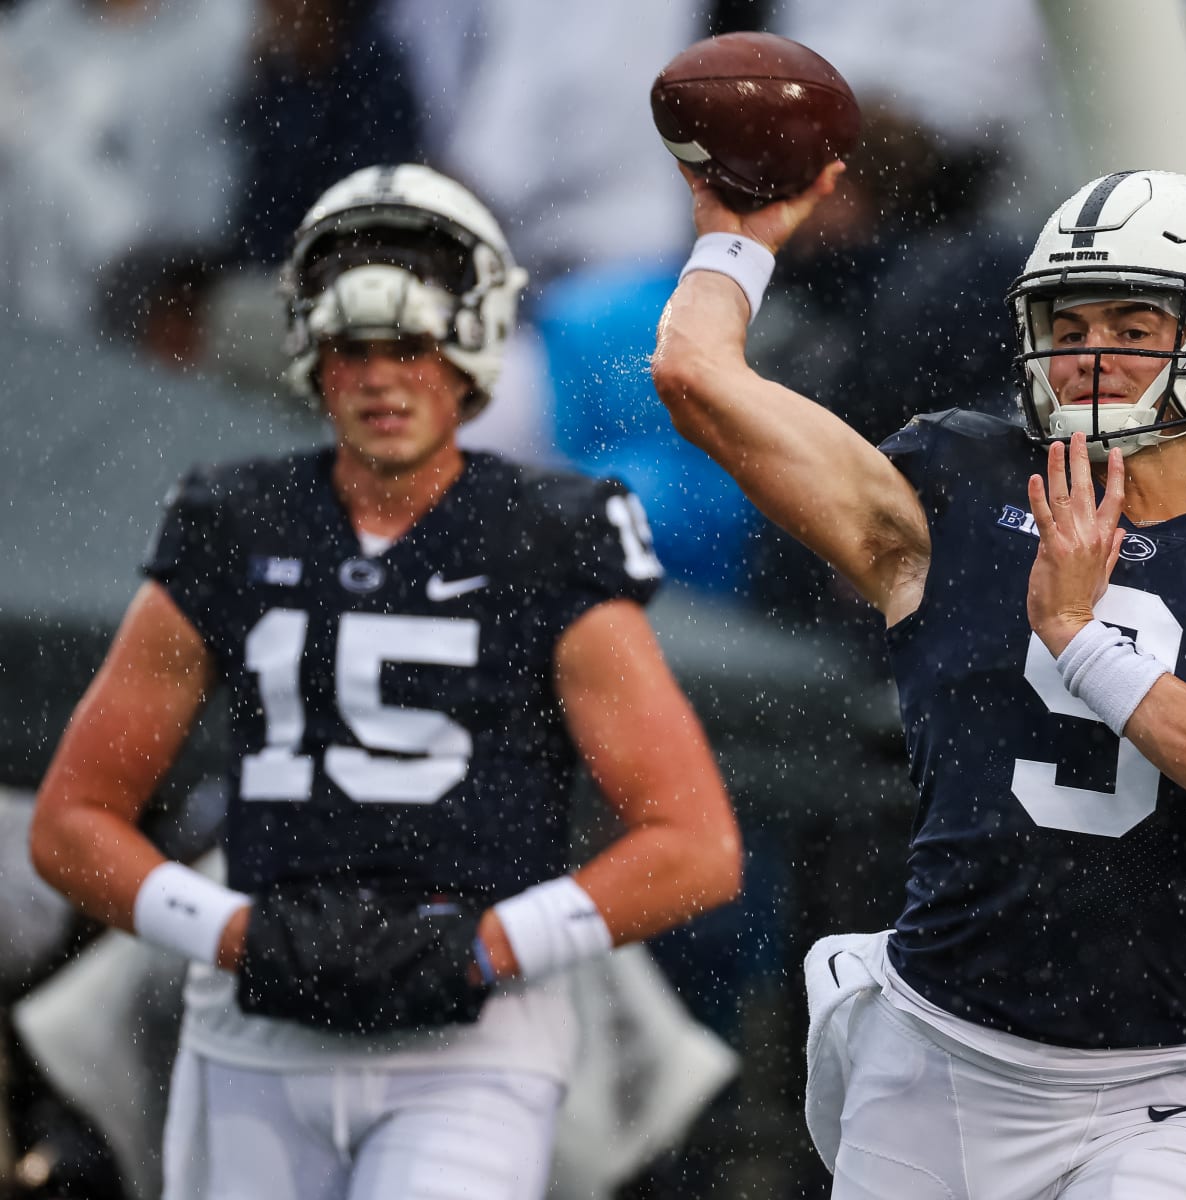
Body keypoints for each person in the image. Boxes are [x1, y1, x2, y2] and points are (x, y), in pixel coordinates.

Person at [652, 165, 1186, 1198]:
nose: (1092, 353)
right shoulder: (959, 491)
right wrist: (736, 241)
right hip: (932, 1067)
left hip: (1143, 1095)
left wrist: (1082, 640)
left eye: (1132, 323)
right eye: (1068, 324)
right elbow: (695, 377)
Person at [29, 163, 742, 1200]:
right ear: (310, 353)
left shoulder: (548, 537)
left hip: (474, 1044)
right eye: (354, 347)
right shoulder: (235, 523)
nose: (381, 377)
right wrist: (234, 932)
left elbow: (696, 846)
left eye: (409, 344)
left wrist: (487, 945)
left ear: (470, 346)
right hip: (256, 1033)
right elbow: (72, 823)